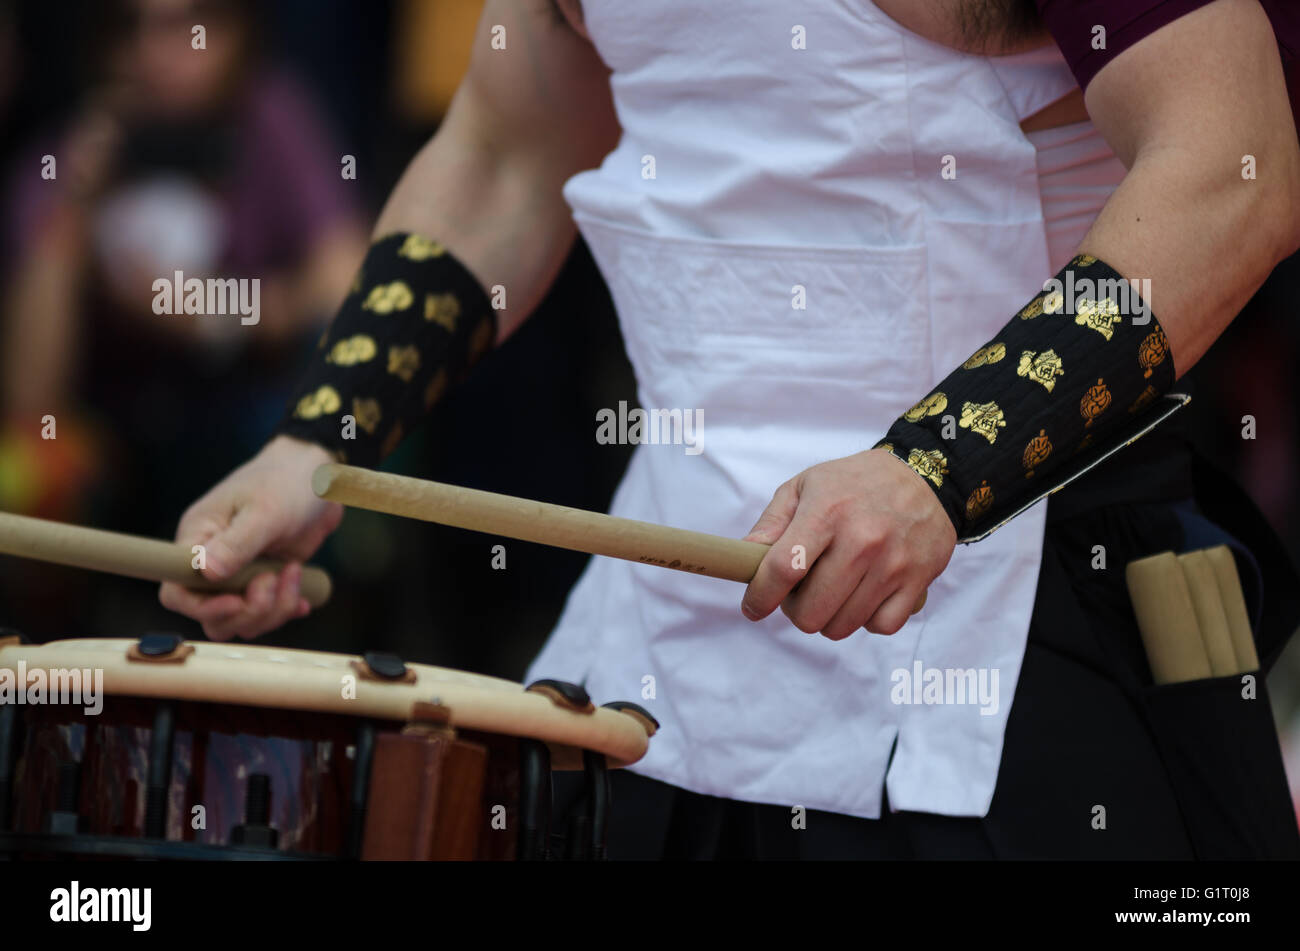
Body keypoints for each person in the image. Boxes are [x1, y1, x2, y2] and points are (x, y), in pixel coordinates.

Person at [161, 0, 1300, 858]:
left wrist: (933, 472)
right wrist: (322, 440)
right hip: (664, 628)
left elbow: (1232, 171)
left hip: (1019, 590)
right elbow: (507, 152)